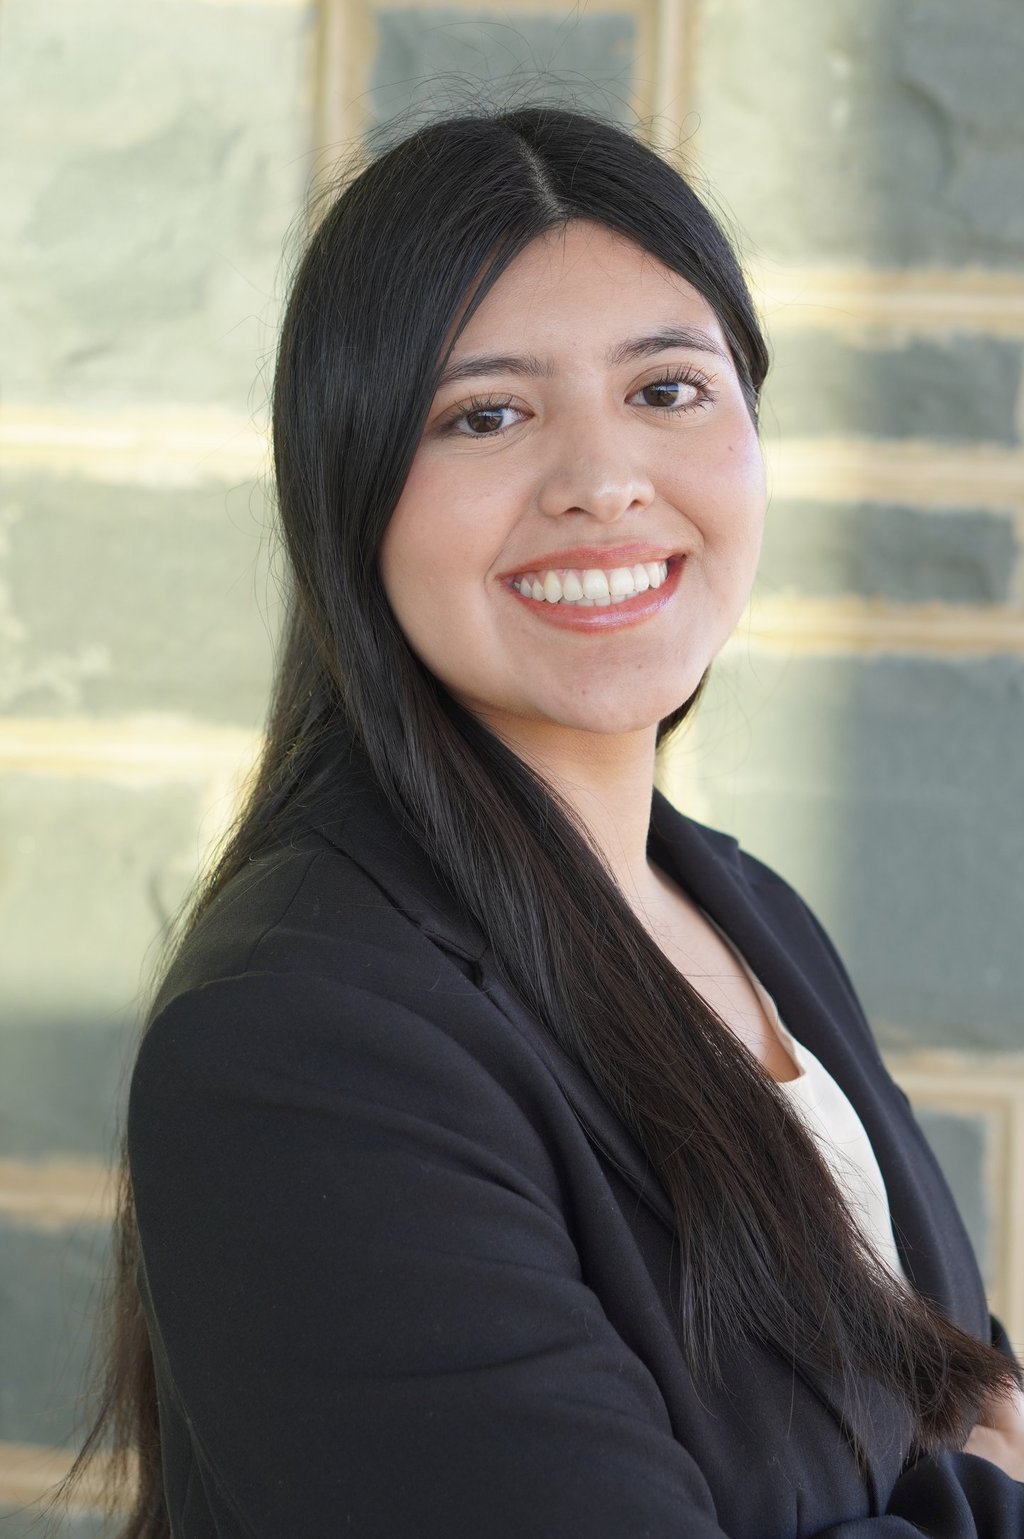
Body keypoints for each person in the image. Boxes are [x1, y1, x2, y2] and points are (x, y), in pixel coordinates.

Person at [58, 105, 1024, 1538]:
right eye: (487, 415)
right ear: (351, 489)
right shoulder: (303, 1043)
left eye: (670, 389)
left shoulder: (739, 912)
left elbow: (949, 1389)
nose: (602, 481)